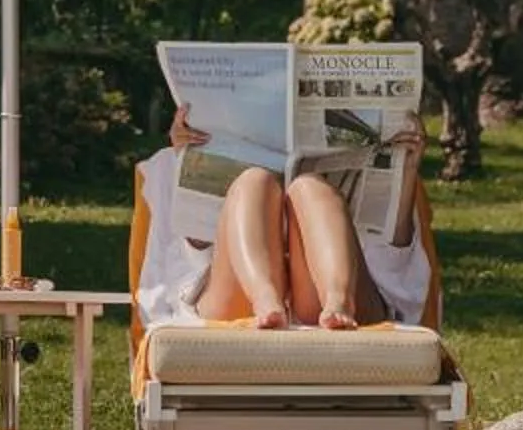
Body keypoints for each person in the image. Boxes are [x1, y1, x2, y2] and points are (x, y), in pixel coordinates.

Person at [160, 105, 425, 330]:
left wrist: (408, 169)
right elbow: (194, 245)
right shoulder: (162, 169)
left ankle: (338, 300)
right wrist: (187, 156)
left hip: (339, 295)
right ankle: (265, 297)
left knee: (309, 187)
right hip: (235, 294)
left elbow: (394, 253)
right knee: (253, 181)